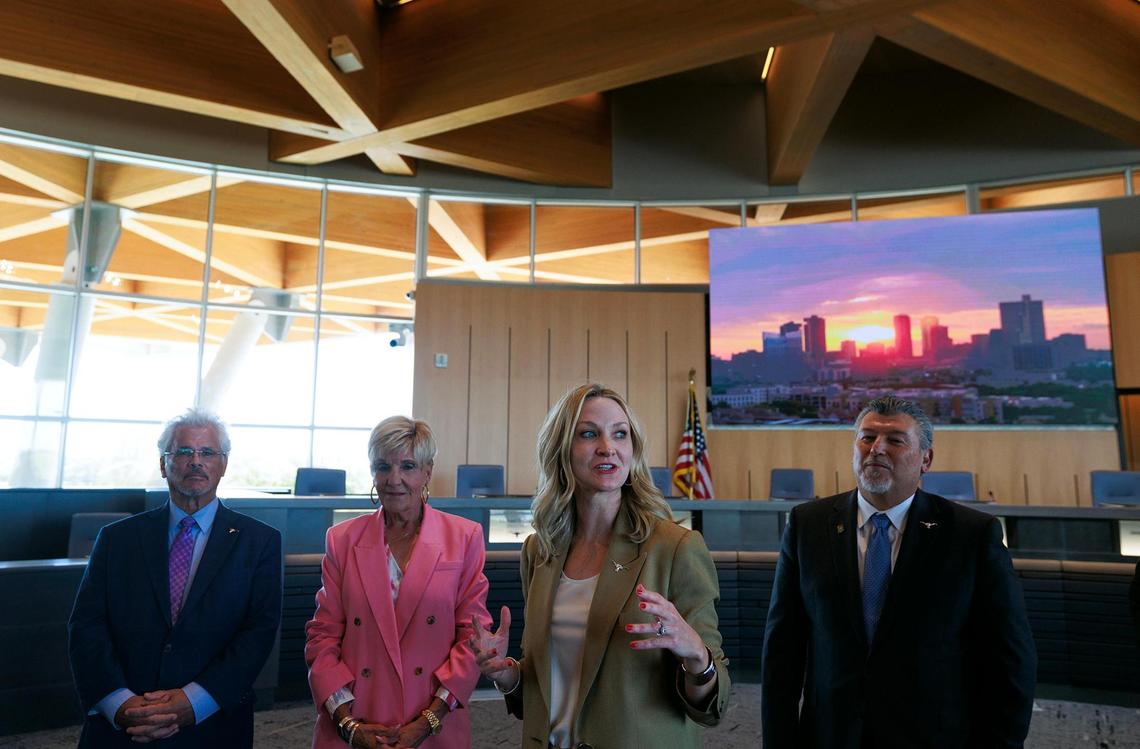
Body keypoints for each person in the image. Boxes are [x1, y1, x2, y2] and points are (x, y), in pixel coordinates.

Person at [761, 394, 1037, 748]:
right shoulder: (807, 525)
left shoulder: (970, 535)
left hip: (932, 736)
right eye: (867, 437)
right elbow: (782, 651)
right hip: (831, 735)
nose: (877, 448)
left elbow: (1010, 658)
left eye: (894, 440)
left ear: (926, 459)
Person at [470, 383, 730, 749]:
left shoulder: (676, 548)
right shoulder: (539, 552)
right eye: (589, 434)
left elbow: (712, 705)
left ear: (632, 450)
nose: (607, 447)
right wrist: (508, 674)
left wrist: (698, 657)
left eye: (620, 434)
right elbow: (551, 675)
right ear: (563, 450)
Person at [68, 408, 283, 747]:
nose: (195, 461)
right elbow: (87, 626)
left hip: (211, 726)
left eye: (207, 452)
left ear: (223, 464)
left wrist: (193, 702)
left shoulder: (260, 542)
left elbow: (257, 633)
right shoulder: (117, 538)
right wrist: (119, 703)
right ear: (162, 464)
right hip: (123, 727)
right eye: (183, 451)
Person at [306, 416, 491, 749]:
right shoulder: (342, 540)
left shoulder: (464, 537)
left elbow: (470, 639)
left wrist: (428, 721)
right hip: (357, 719)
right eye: (382, 467)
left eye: (407, 466)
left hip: (433, 722)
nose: (394, 480)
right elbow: (323, 637)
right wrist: (347, 724)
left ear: (427, 472)